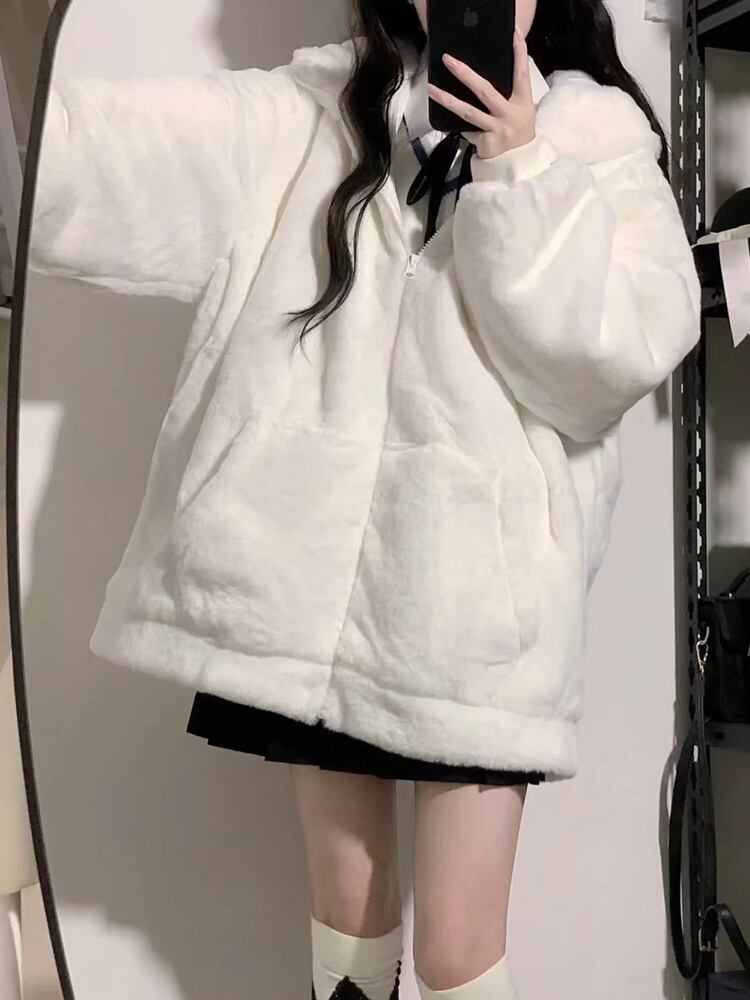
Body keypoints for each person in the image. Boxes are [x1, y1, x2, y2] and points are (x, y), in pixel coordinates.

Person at [28, 0, 702, 996]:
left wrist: (518, 164)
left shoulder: (599, 145)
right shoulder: (316, 108)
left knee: (459, 955)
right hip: (311, 611)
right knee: (349, 921)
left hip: (480, 623)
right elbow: (102, 158)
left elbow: (608, 359)